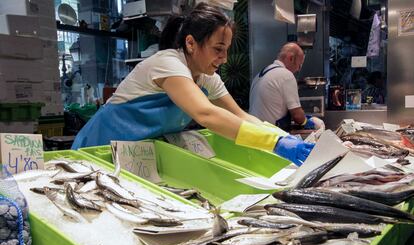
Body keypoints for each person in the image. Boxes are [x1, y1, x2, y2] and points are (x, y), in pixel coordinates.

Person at [71, 3, 314, 166]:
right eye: (218, 49)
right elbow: (205, 113)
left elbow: (240, 116)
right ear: (190, 43)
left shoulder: (207, 77)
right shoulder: (168, 63)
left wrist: (283, 138)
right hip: (96, 150)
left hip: (133, 157)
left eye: (227, 50)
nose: (225, 59)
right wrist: (272, 143)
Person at [249, 43, 323, 131]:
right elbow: (297, 116)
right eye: (299, 65)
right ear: (291, 58)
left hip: (254, 132)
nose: (298, 69)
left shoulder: (260, 74)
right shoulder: (286, 75)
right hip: (270, 136)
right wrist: (308, 122)